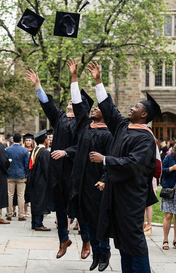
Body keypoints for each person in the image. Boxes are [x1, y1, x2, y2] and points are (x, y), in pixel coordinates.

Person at [88, 61, 160, 272]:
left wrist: (105, 160)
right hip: (116, 192)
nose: (131, 107)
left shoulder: (145, 139)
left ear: (144, 114)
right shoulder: (123, 127)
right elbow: (109, 109)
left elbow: (134, 164)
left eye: (136, 106)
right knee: (122, 239)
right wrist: (98, 81)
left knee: (133, 238)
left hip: (131, 196)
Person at [64, 58, 113, 269]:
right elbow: (77, 103)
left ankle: (104, 253)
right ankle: (95, 252)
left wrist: (104, 180)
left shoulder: (109, 134)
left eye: (98, 108)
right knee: (85, 220)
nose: (93, 109)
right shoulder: (84, 126)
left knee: (99, 220)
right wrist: (74, 77)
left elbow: (111, 161)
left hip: (97, 184)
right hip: (81, 182)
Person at [26, 68, 77, 259]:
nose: (71, 101)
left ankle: (87, 239)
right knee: (61, 208)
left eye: (75, 100)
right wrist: (37, 85)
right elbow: (47, 105)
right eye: (71, 100)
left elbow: (82, 146)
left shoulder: (83, 122)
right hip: (59, 172)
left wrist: (66, 152)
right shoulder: (61, 118)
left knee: (80, 207)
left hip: (74, 170)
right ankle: (63, 240)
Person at [28, 130, 52, 231]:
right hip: (42, 182)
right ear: (45, 140)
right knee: (40, 202)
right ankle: (38, 224)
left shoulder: (34, 150)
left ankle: (34, 222)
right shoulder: (44, 152)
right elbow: (46, 169)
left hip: (33, 180)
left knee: (35, 201)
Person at [5, 133, 29, 221]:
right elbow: (26, 164)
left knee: (10, 195)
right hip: (20, 174)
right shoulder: (24, 150)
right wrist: (26, 174)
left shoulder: (7, 149)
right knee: (21, 195)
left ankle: (9, 213)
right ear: (20, 140)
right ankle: (21, 214)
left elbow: (5, 162)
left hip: (10, 174)